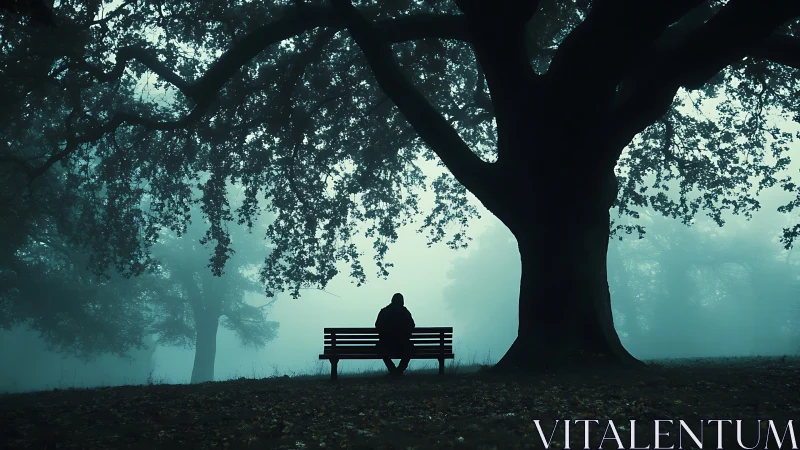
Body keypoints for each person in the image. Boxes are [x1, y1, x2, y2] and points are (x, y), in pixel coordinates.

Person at [375, 293, 415, 375]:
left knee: (380, 349)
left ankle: (393, 370)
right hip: (403, 345)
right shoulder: (405, 312)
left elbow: (377, 325)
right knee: (410, 349)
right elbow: (412, 325)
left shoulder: (384, 311)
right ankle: (399, 370)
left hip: (386, 345)